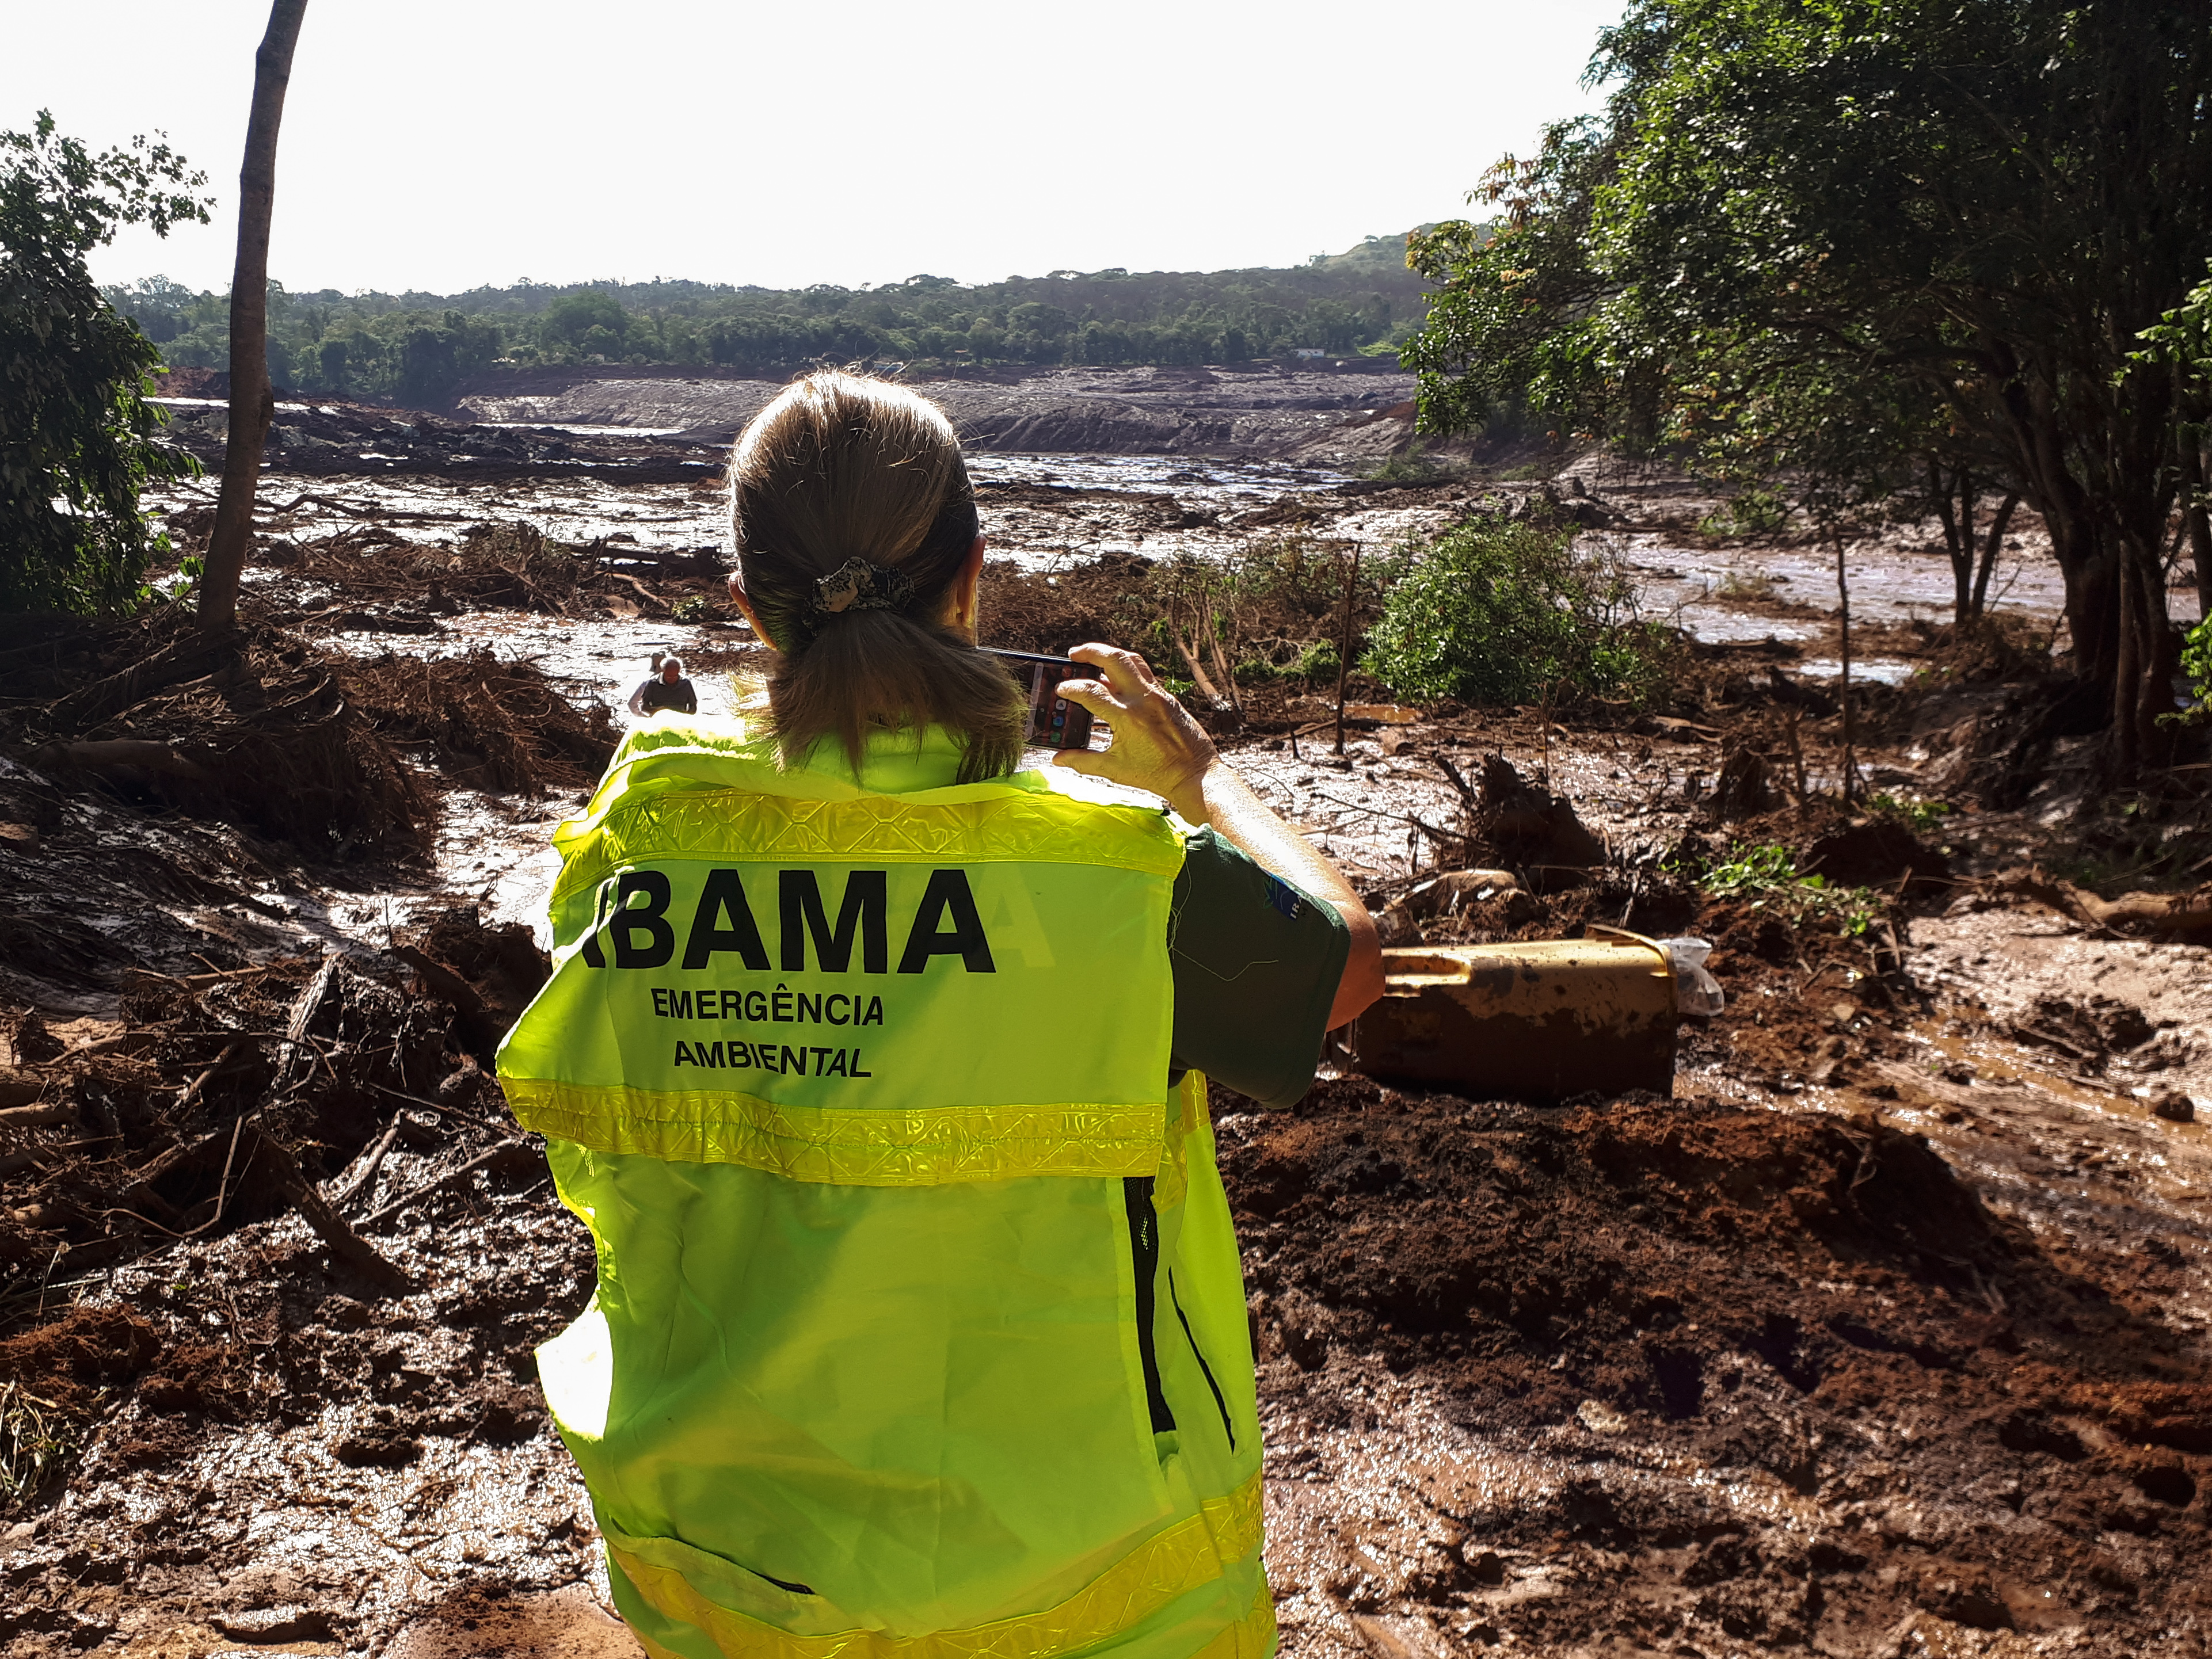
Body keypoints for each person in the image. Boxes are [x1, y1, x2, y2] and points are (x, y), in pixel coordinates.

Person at [497, 371, 1382, 1659]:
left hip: (731, 1566)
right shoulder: (1120, 875)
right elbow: (1346, 963)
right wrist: (1197, 781)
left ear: (748, 606)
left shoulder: (639, 843)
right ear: (973, 578)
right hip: (1088, 1586)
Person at [628, 655, 699, 718]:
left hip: (680, 721)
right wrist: (655, 713)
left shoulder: (686, 684)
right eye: (669, 676)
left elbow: (693, 706)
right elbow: (644, 706)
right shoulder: (652, 684)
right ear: (663, 671)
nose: (672, 679)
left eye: (675, 676)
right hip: (658, 721)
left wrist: (685, 717)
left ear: (679, 672)